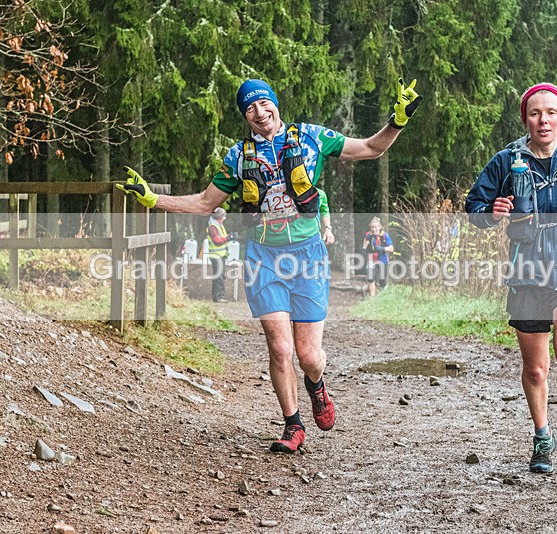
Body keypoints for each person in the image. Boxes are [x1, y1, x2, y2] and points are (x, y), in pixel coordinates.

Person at [118, 77, 421, 454]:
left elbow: (371, 149)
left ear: (275, 104)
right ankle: (293, 426)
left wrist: (398, 120)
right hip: (262, 258)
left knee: (309, 356)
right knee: (280, 349)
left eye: (264, 104)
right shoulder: (238, 156)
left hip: (308, 256)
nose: (260, 113)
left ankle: (316, 385)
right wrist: (152, 200)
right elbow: (203, 203)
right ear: (245, 115)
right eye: (250, 109)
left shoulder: (311, 137)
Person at [465, 83, 557, 474]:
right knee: (535, 368)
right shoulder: (506, 160)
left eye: (550, 112)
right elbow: (474, 208)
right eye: (534, 113)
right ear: (525, 118)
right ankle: (542, 436)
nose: (542, 120)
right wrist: (492, 211)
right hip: (527, 268)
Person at [361, 217, 394, 297]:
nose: (374, 229)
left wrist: (382, 248)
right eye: (372, 227)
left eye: (375, 227)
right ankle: (372, 298)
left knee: (382, 280)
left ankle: (384, 296)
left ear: (379, 227)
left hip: (382, 259)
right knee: (370, 278)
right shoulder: (368, 235)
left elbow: (391, 249)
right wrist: (364, 250)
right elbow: (365, 243)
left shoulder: (384, 236)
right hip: (371, 259)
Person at [205, 207, 232, 302]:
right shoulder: (212, 227)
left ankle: (219, 296)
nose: (225, 218)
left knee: (220, 276)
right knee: (218, 277)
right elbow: (217, 241)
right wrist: (228, 239)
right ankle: (218, 297)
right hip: (216, 256)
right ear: (219, 217)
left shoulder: (218, 226)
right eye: (224, 216)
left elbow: (222, 238)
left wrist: (230, 236)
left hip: (221, 255)